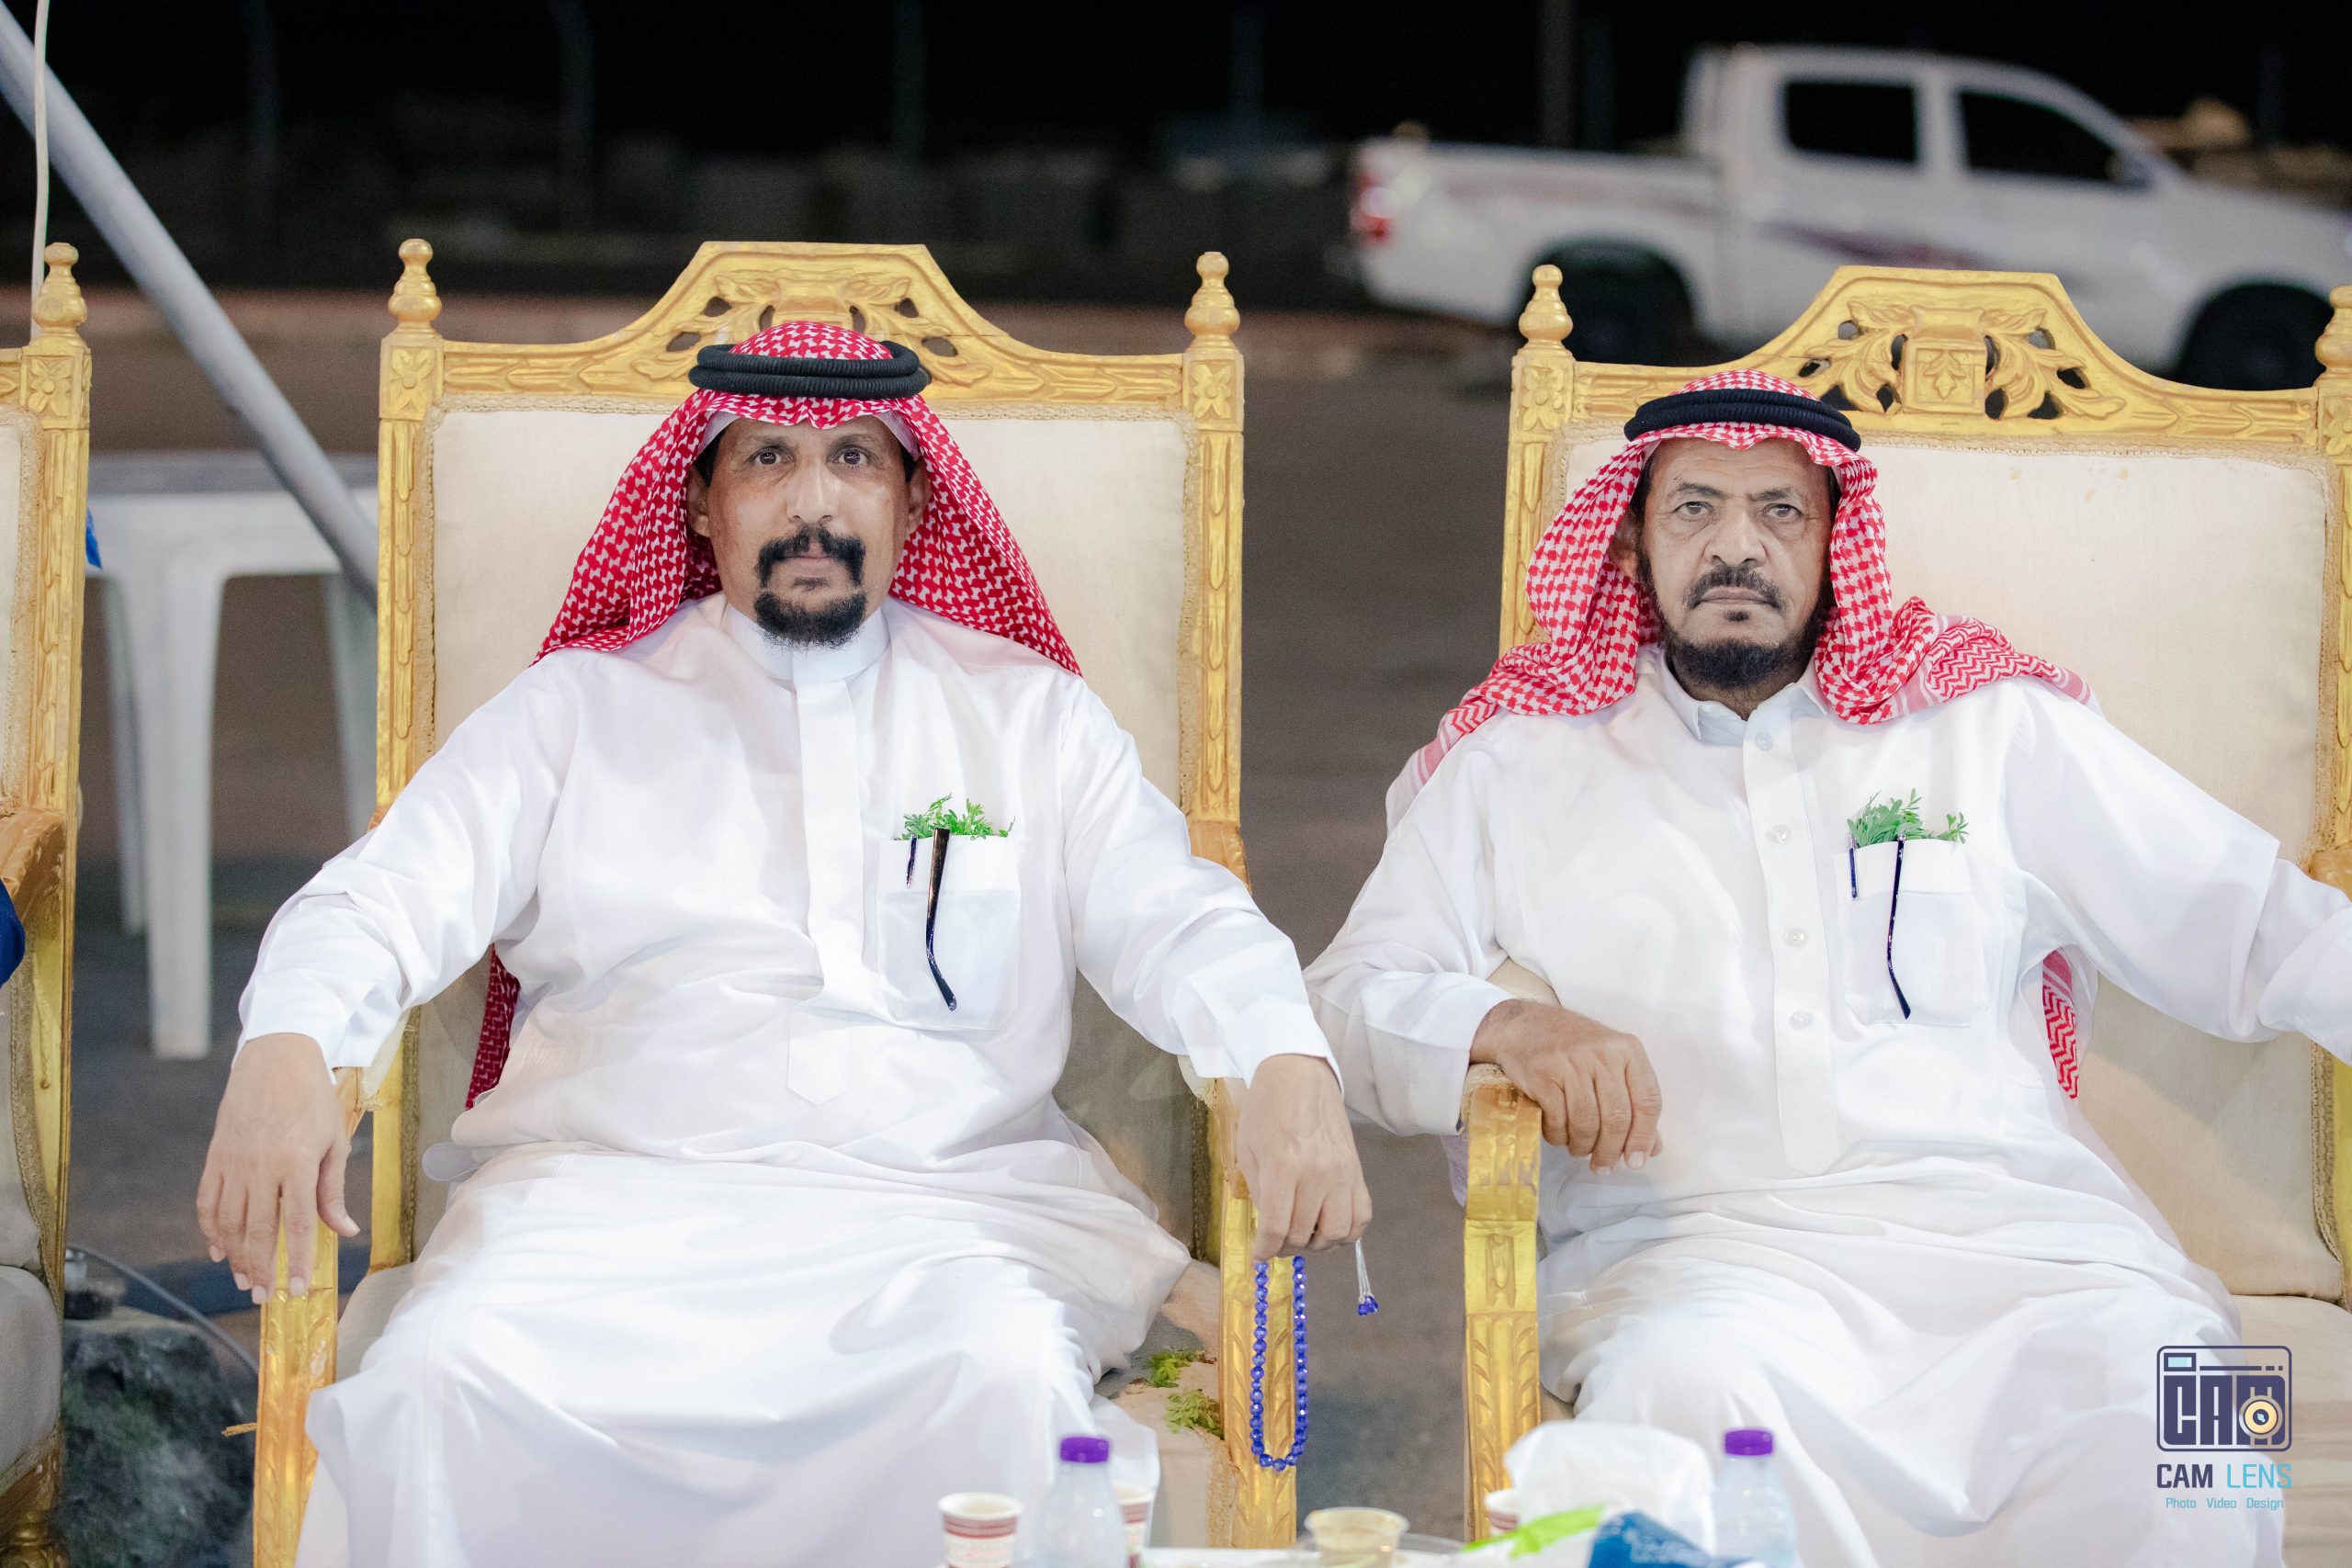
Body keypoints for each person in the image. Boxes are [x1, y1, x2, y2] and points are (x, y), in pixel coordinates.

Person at [199, 322, 1368, 1568]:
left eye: (854, 458)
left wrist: (1280, 1054)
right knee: (445, 1375)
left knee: (999, 1375)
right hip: (600, 1217)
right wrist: (287, 1046)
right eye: (767, 459)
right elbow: (377, 898)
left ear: (913, 500)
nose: (814, 503)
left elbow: (1178, 913)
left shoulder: (1030, 717)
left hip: (944, 1217)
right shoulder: (575, 710)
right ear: (701, 504)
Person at [1306, 370, 2346, 1566]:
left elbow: (2262, 927)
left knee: (2193, 1419)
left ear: (1834, 544)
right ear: (1631, 546)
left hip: (2047, 1250)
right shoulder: (1518, 764)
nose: (1736, 547)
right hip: (1705, 1271)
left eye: (1779, 511)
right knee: (1678, 1405)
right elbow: (1343, 1003)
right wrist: (1506, 1029)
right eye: (1694, 508)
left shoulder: (1986, 729)